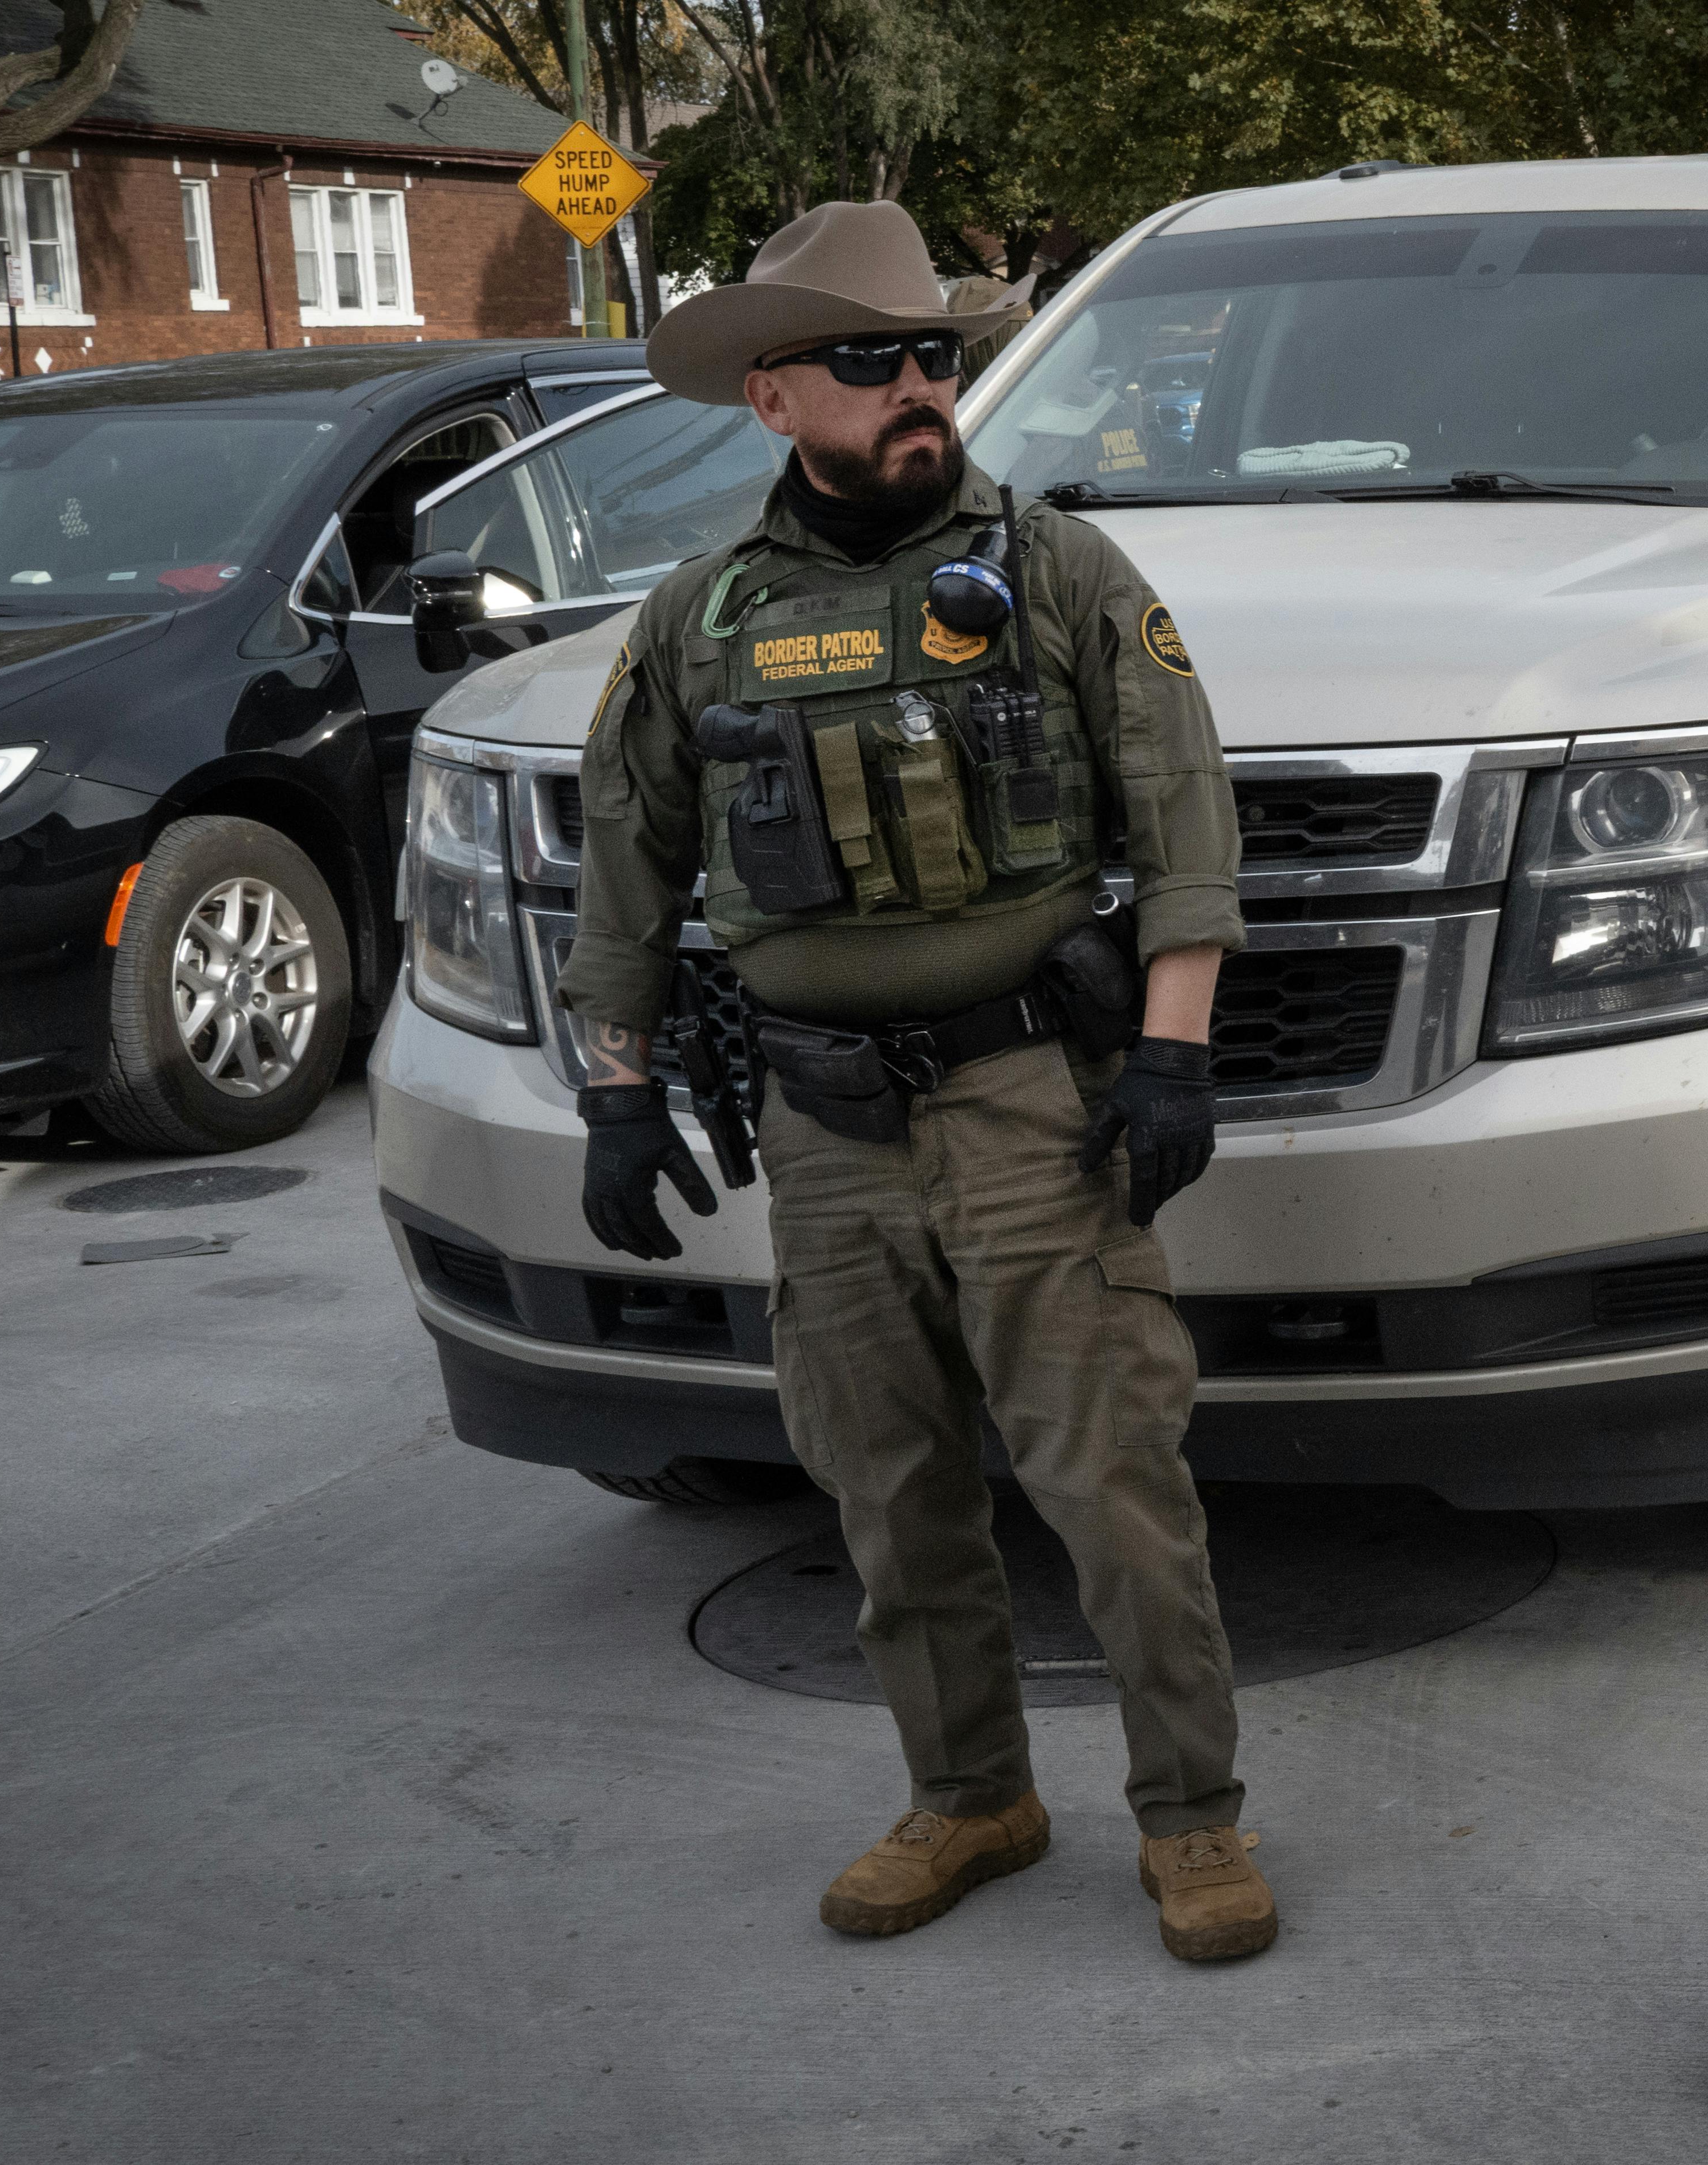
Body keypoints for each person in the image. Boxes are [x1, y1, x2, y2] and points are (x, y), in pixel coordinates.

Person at [557, 199, 1277, 1965]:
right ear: (773, 400)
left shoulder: (1055, 575)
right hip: (820, 1129)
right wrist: (619, 1092)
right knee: (884, 1487)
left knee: (1111, 1482)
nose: (917, 388)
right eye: (870, 362)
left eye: (936, 356)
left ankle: (1191, 1819)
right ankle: (970, 1798)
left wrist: (1172, 1059)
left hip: (1032, 1104)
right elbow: (628, 873)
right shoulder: (700, 619)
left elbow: (1187, 829)